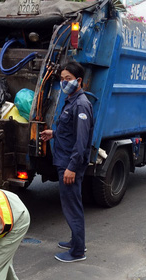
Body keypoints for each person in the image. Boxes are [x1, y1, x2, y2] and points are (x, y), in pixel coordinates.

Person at [39, 61, 94, 263]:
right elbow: (70, 130)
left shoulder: (81, 104)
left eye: (68, 79)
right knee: (71, 203)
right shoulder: (72, 100)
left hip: (70, 164)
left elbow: (81, 141)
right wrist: (54, 133)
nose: (64, 82)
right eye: (62, 79)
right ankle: (75, 241)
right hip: (64, 159)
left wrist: (71, 167)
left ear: (78, 80)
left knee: (72, 206)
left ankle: (78, 251)